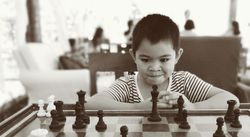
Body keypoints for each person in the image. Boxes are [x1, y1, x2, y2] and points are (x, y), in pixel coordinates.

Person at [86, 14, 239, 110]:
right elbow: (91, 103)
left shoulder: (185, 81)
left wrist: (193, 106)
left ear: (177, 56)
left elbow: (232, 100)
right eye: (145, 59)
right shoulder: (128, 85)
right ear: (134, 56)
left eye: (164, 59)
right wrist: (136, 107)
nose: (154, 67)